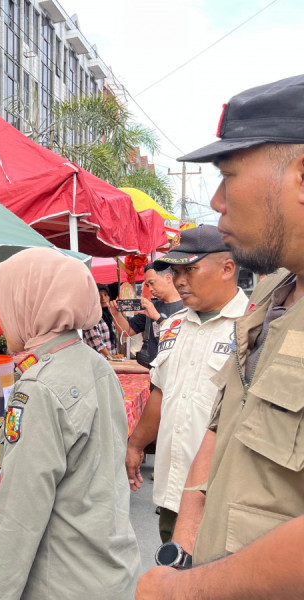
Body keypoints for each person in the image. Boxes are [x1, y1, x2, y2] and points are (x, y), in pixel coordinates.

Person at [136, 75, 304, 599]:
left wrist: (182, 591)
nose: (216, 200)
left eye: (229, 175)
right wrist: (185, 550)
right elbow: (223, 419)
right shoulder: (276, 293)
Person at [0, 247, 140, 600]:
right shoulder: (94, 363)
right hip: (109, 571)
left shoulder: (38, 388)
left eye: (4, 304)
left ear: (31, 305)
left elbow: (16, 522)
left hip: (62, 582)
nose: (1, 319)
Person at [124, 225, 248, 544]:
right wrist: (136, 445)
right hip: (173, 493)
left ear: (227, 268)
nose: (179, 280)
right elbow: (161, 392)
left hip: (225, 498)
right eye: (176, 271)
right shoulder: (172, 326)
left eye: (189, 269)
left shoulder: (254, 327)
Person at [109, 262, 183, 366]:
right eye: (147, 285)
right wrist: (115, 314)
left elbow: (186, 335)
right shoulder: (152, 306)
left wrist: (158, 317)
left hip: (179, 369)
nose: (150, 289)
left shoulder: (189, 306)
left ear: (168, 278)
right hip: (155, 371)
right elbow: (127, 331)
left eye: (152, 283)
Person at [82, 287, 118, 358]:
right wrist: (110, 356)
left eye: (105, 295)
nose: (103, 298)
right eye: (99, 295)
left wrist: (114, 356)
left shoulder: (110, 316)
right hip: (97, 361)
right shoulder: (91, 316)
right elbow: (96, 341)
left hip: (110, 361)